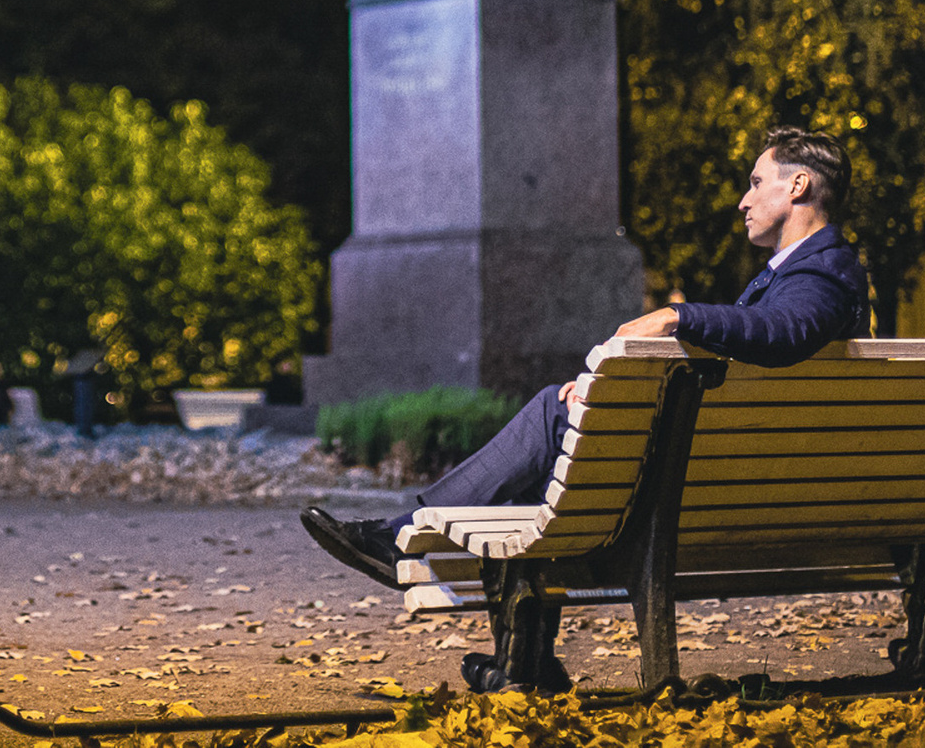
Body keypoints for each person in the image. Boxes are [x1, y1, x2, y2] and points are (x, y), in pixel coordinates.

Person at [300, 126, 872, 689]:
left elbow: (784, 331)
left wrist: (677, 315)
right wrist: (602, 397)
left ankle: (405, 540)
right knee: (561, 423)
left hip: (718, 489)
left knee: (553, 414)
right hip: (752, 484)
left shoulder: (821, 270)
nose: (743, 199)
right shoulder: (815, 270)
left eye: (755, 181)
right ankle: (524, 658)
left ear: (798, 185)